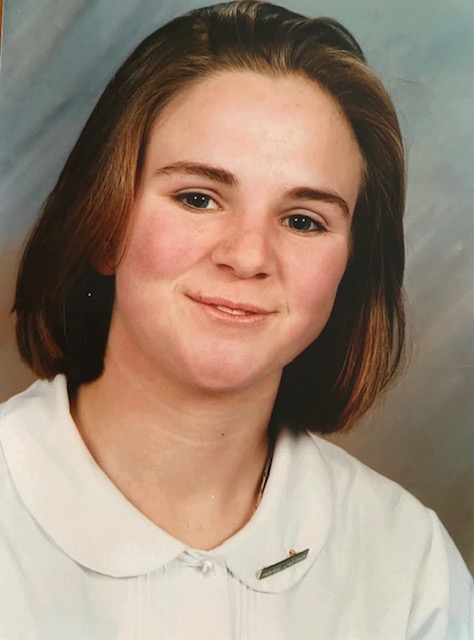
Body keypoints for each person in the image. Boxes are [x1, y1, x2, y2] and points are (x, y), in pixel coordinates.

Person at [0, 1, 472, 638]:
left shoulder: (411, 567)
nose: (248, 257)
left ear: (350, 271)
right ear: (104, 223)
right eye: (198, 198)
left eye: (303, 220)